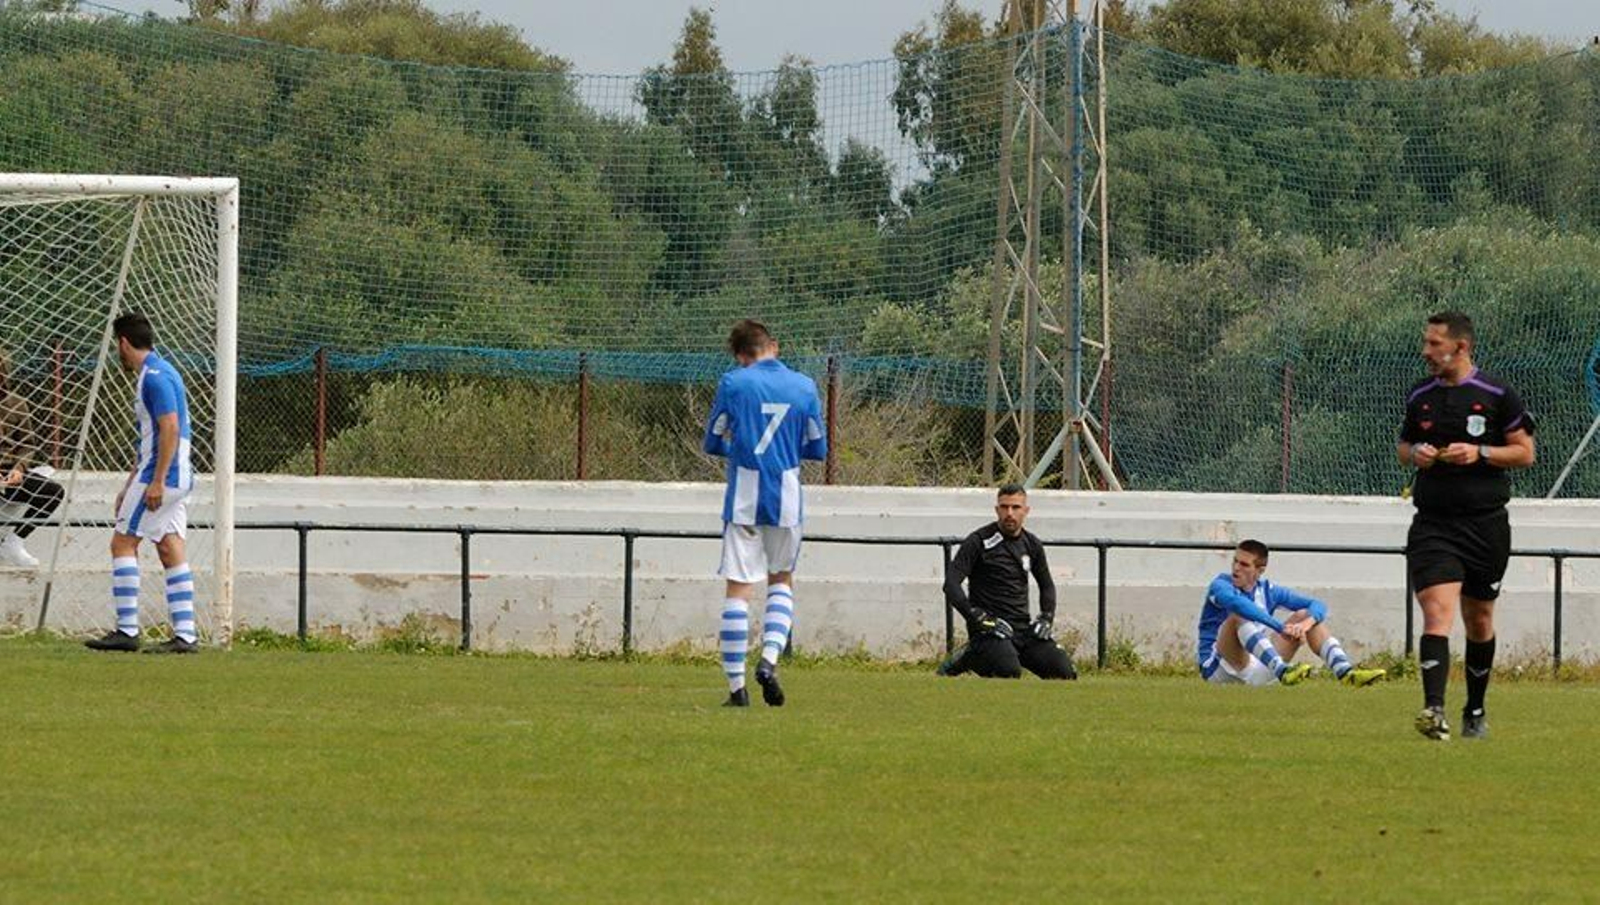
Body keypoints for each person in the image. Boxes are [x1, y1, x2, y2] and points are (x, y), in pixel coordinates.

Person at [1398, 311, 1535, 740]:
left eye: (1435, 344)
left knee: (1478, 619)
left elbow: (1525, 452)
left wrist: (1480, 454)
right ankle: (1433, 711)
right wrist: (1416, 451)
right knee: (1436, 614)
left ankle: (1474, 708)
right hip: (1434, 525)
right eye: (1426, 342)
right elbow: (1403, 445)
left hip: (1485, 527)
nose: (1427, 351)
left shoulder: (1497, 393)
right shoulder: (1420, 395)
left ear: (1461, 347)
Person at [703, 320, 826, 707]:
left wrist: (742, 452)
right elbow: (818, 450)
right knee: (781, 580)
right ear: (774, 345)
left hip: (744, 497)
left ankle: (737, 689)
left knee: (739, 589)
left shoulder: (734, 383)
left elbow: (712, 441)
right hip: (787, 497)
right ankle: (770, 661)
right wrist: (784, 453)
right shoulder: (805, 386)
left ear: (741, 356)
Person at [85, 313, 200, 654]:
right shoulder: (162, 371)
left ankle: (127, 631)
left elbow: (170, 428)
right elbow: (151, 437)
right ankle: (186, 636)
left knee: (122, 543)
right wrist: (129, 483)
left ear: (123, 342)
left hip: (163, 476)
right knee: (169, 545)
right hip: (176, 474)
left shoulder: (155, 378)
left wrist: (156, 482)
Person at [1198, 540, 1387, 688]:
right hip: (1219, 669)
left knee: (1306, 614)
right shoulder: (1221, 585)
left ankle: (1345, 673)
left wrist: (1304, 625)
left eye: (1244, 564)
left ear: (1260, 571)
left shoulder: (1268, 591)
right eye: (1235, 561)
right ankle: (1282, 670)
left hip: (1257, 667)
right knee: (1238, 616)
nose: (1236, 568)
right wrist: (1280, 627)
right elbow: (1237, 604)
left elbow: (1318, 604)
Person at [937, 484, 1077, 680]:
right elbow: (951, 584)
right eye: (1004, 507)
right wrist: (975, 616)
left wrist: (1046, 618)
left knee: (1064, 672)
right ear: (997, 510)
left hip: (1022, 631)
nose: (1009, 513)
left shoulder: (1032, 544)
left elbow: (1047, 586)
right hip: (990, 629)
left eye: (1016, 507)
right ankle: (970, 656)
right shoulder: (979, 541)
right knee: (1008, 671)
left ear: (1026, 511)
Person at [0, 349, 65, 568]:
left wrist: (19, 468)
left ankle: (13, 543)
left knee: (53, 491)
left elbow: (27, 445)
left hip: (9, 475)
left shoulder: (16, 403)